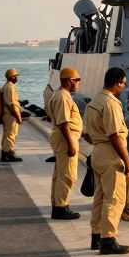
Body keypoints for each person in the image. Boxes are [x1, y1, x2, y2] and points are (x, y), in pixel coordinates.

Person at [84, 67, 129, 255]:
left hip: (97, 152)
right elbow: (114, 135)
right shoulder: (111, 103)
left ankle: (96, 237)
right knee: (114, 198)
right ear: (117, 83)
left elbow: (87, 134)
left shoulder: (94, 101)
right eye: (123, 84)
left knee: (100, 197)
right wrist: (127, 160)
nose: (124, 87)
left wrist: (99, 142)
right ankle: (108, 240)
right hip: (111, 155)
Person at [47, 67, 85, 220]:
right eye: (77, 80)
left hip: (63, 137)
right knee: (68, 175)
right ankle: (60, 208)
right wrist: (70, 144)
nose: (78, 83)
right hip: (65, 139)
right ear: (70, 80)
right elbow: (63, 123)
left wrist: (83, 133)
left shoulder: (60, 94)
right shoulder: (63, 97)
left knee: (60, 173)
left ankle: (59, 205)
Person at [0, 68, 23, 162]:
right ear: (12, 77)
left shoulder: (6, 86)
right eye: (16, 76)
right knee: (11, 134)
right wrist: (18, 116)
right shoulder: (10, 87)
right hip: (10, 115)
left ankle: (5, 153)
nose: (17, 78)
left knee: (7, 134)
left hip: (7, 114)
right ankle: (9, 153)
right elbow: (10, 104)